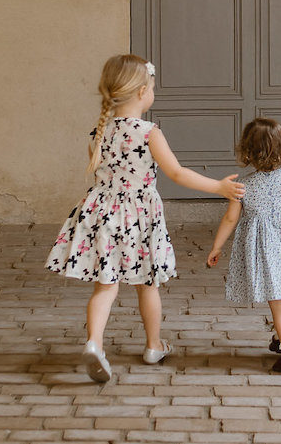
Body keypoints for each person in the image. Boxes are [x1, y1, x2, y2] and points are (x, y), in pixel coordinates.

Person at [46, 53, 244, 383]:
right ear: (142, 92)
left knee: (105, 286)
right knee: (147, 284)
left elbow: (103, 171)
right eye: (152, 86)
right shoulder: (149, 132)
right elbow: (177, 173)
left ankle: (94, 343)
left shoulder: (99, 132)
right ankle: (153, 345)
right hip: (138, 216)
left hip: (103, 214)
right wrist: (219, 187)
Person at [206, 117, 281, 373]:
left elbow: (230, 218)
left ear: (248, 152)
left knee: (278, 298)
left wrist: (217, 246)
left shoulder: (244, 185)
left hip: (263, 250)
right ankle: (280, 336)